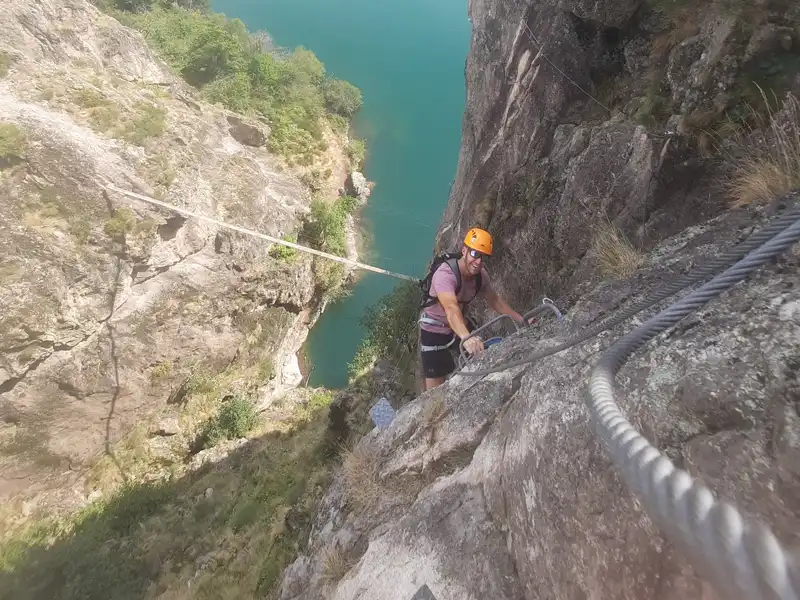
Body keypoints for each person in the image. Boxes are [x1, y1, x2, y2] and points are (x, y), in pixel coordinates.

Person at [418, 227, 528, 390]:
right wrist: (466, 337)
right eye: (475, 254)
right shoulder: (444, 275)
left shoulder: (480, 277)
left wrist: (521, 320)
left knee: (482, 357)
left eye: (483, 258)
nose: (478, 262)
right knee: (434, 388)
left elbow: (496, 301)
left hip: (459, 326)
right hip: (434, 330)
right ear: (464, 251)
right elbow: (451, 308)